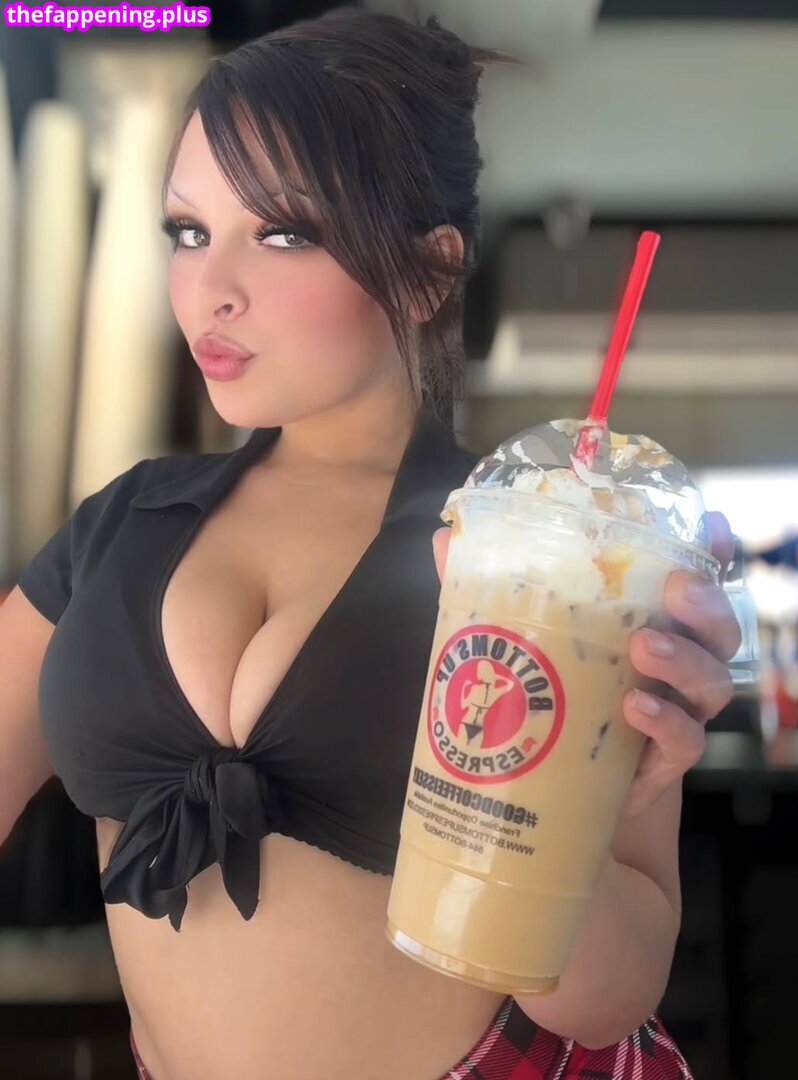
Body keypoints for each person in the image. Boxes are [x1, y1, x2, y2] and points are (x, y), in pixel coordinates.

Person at [0, 10, 741, 1079]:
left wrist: (553, 819)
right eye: (189, 231)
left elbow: (607, 999)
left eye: (284, 233)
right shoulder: (119, 525)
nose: (212, 286)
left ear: (429, 272)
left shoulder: (543, 555)